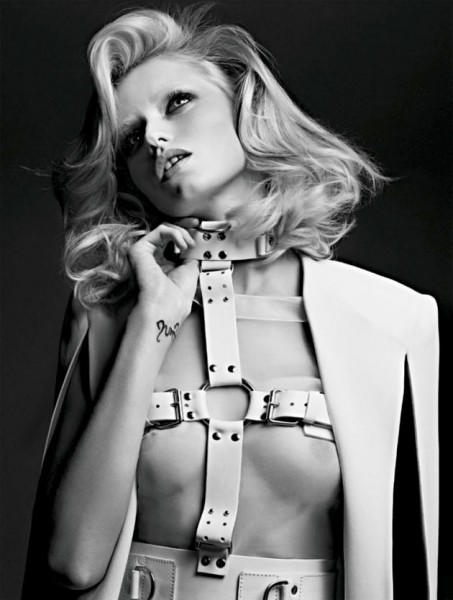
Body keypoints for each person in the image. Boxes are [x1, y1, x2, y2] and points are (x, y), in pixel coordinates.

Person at [22, 5, 439, 600]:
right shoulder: (106, 314)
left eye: (178, 102)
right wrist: (151, 325)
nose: (156, 137)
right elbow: (72, 564)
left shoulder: (393, 320)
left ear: (245, 104)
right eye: (132, 138)